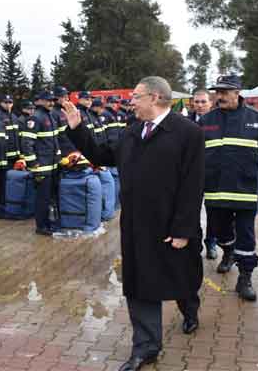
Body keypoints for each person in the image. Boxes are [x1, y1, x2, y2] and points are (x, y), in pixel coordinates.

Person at [62, 76, 204, 371]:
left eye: (136, 97)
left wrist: (183, 230)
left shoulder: (187, 132)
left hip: (172, 226)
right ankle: (146, 347)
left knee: (181, 278)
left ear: (154, 98)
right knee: (140, 285)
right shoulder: (132, 132)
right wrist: (77, 128)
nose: (131, 102)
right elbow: (102, 155)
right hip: (137, 227)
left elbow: (193, 185)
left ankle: (189, 309)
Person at [199, 75, 258, 301]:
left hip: (247, 192)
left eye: (225, 91)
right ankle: (228, 252)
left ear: (238, 92)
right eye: (217, 91)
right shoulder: (206, 121)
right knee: (220, 231)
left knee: (247, 235)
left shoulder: (257, 119)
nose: (220, 96)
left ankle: (245, 277)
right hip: (216, 192)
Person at [21, 91, 61, 235]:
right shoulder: (35, 118)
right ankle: (41, 226)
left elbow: (53, 140)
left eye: (53, 100)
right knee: (42, 199)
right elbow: (27, 143)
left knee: (51, 197)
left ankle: (49, 222)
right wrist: (33, 164)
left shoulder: (51, 116)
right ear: (41, 101)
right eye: (48, 100)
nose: (52, 103)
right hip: (41, 167)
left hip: (52, 165)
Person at [187, 89, 218, 259]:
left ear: (211, 103)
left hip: (212, 173)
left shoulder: (217, 122)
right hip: (192, 175)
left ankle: (211, 243)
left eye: (203, 102)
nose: (199, 105)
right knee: (191, 210)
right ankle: (194, 244)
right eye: (196, 102)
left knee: (213, 212)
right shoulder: (186, 121)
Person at [50, 86, 77, 157]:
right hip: (63, 153)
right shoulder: (52, 113)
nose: (67, 99)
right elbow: (53, 138)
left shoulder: (67, 110)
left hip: (73, 149)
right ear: (56, 98)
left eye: (67, 96)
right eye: (64, 97)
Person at [0, 94, 21, 166]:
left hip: (16, 154)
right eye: (5, 102)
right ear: (1, 103)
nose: (8, 104)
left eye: (10, 102)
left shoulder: (14, 117)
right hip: (5, 155)